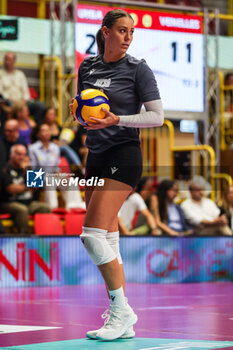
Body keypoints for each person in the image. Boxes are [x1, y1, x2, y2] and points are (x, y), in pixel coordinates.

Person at [70, 9, 164, 341]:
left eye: (131, 32)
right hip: (94, 156)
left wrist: (117, 120)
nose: (127, 37)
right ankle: (123, 319)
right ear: (105, 32)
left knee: (92, 235)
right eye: (122, 31)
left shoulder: (139, 69)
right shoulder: (88, 66)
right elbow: (86, 108)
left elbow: (156, 117)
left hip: (124, 156)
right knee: (108, 239)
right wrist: (80, 112)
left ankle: (122, 310)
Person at [29, 124, 85, 210]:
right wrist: (34, 185)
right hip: (39, 177)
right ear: (38, 134)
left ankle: (74, 206)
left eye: (48, 130)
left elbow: (55, 167)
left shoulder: (55, 147)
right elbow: (33, 168)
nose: (46, 133)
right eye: (43, 131)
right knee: (50, 180)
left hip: (53, 175)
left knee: (71, 180)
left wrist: (59, 173)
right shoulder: (33, 148)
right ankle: (52, 207)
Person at [0, 144, 51, 234]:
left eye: (24, 154)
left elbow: (36, 186)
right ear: (11, 154)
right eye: (19, 154)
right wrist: (28, 187)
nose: (22, 157)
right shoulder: (5, 168)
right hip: (8, 203)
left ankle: (44, 236)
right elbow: (11, 188)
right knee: (22, 210)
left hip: (28, 203)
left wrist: (28, 170)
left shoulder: (28, 167)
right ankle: (24, 236)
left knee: (45, 208)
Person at [0, 52, 46, 124]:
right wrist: (12, 100)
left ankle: (37, 130)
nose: (6, 62)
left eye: (9, 59)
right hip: (9, 102)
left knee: (40, 106)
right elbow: (1, 93)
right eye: (5, 59)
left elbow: (26, 92)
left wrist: (23, 101)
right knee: (8, 105)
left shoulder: (20, 74)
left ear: (14, 61)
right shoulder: (1, 73)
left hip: (23, 102)